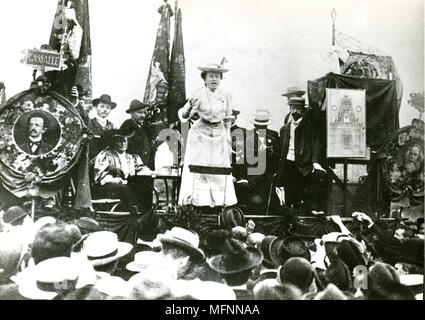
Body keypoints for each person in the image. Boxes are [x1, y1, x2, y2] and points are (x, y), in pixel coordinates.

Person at [177, 62, 237, 208]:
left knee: (218, 170)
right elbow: (184, 115)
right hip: (200, 134)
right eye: (211, 76)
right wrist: (190, 106)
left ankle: (219, 203)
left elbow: (228, 118)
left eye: (217, 76)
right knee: (199, 169)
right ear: (204, 78)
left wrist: (227, 136)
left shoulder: (226, 96)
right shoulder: (198, 94)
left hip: (219, 135)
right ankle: (197, 203)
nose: (214, 79)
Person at [276, 96, 326, 215]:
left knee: (302, 190)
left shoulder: (310, 126)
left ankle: (305, 214)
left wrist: (315, 162)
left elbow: (316, 144)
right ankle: (290, 216)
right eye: (292, 108)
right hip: (288, 162)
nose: (294, 111)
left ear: (303, 109)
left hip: (304, 164)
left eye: (297, 108)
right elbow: (282, 149)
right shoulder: (284, 129)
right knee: (289, 191)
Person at [92, 128, 154, 213]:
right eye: (119, 141)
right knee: (125, 188)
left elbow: (141, 168)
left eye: (124, 141)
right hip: (108, 187)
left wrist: (150, 172)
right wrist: (113, 180)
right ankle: (135, 212)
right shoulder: (106, 155)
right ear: (114, 142)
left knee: (145, 187)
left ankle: (147, 212)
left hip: (126, 186)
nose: (122, 144)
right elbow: (100, 175)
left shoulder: (132, 157)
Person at [245, 109, 280, 213]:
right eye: (259, 126)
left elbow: (278, 157)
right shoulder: (248, 138)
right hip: (253, 177)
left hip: (268, 177)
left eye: (264, 126)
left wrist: (271, 153)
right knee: (254, 203)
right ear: (255, 125)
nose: (262, 128)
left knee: (269, 204)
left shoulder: (272, 138)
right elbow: (245, 159)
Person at [119, 99, 154, 170]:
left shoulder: (144, 127)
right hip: (133, 166)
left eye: (144, 112)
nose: (143, 115)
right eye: (139, 112)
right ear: (132, 114)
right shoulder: (128, 125)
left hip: (145, 165)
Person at [88, 94, 116, 160]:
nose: (105, 110)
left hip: (108, 162)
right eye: (102, 106)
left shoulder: (112, 126)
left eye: (107, 107)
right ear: (96, 107)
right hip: (91, 160)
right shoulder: (89, 123)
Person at [230, 109, 249, 205]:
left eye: (232, 115)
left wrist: (242, 176)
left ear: (236, 118)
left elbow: (241, 155)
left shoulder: (242, 132)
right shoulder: (220, 130)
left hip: (237, 169)